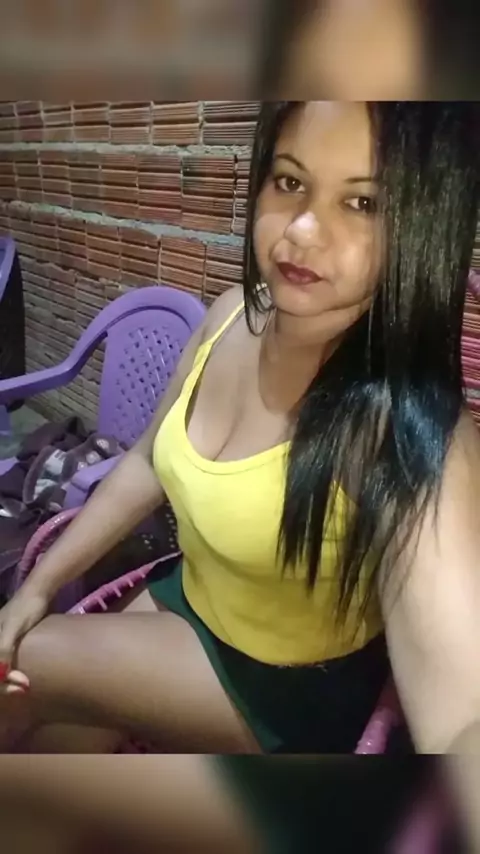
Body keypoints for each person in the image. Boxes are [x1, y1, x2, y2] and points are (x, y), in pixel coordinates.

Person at [0, 101, 479, 763]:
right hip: (189, 596)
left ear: (423, 224)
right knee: (44, 739)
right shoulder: (230, 315)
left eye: (362, 203)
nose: (303, 230)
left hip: (284, 688)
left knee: (26, 665)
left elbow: (460, 713)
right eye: (290, 181)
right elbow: (147, 461)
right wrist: (35, 587)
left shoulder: (406, 427)